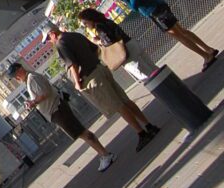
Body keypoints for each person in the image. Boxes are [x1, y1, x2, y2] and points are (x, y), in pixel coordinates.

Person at [43, 23, 159, 152]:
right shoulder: (75, 35)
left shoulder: (61, 43)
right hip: (100, 69)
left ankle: (141, 133)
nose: (49, 42)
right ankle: (148, 125)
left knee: (118, 105)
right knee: (124, 100)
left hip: (91, 77)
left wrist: (77, 83)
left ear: (52, 34)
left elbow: (72, 65)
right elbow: (96, 49)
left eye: (48, 39)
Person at [7, 61, 115, 172]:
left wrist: (33, 102)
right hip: (56, 110)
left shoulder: (32, 78)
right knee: (80, 132)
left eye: (15, 76)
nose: (16, 79)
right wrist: (33, 101)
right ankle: (104, 154)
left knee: (81, 132)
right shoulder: (30, 78)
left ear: (20, 70)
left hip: (57, 109)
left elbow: (45, 92)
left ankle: (105, 154)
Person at [111, 0, 218, 71]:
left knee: (179, 36)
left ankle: (206, 56)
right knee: (182, 32)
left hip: (156, 13)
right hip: (160, 7)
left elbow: (134, 7)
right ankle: (208, 49)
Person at [77, 8, 160, 83]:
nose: (85, 26)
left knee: (147, 76)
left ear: (90, 19)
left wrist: (98, 41)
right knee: (154, 69)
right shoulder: (107, 21)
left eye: (85, 23)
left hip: (126, 52)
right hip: (131, 44)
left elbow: (109, 43)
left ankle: (165, 93)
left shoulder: (99, 27)